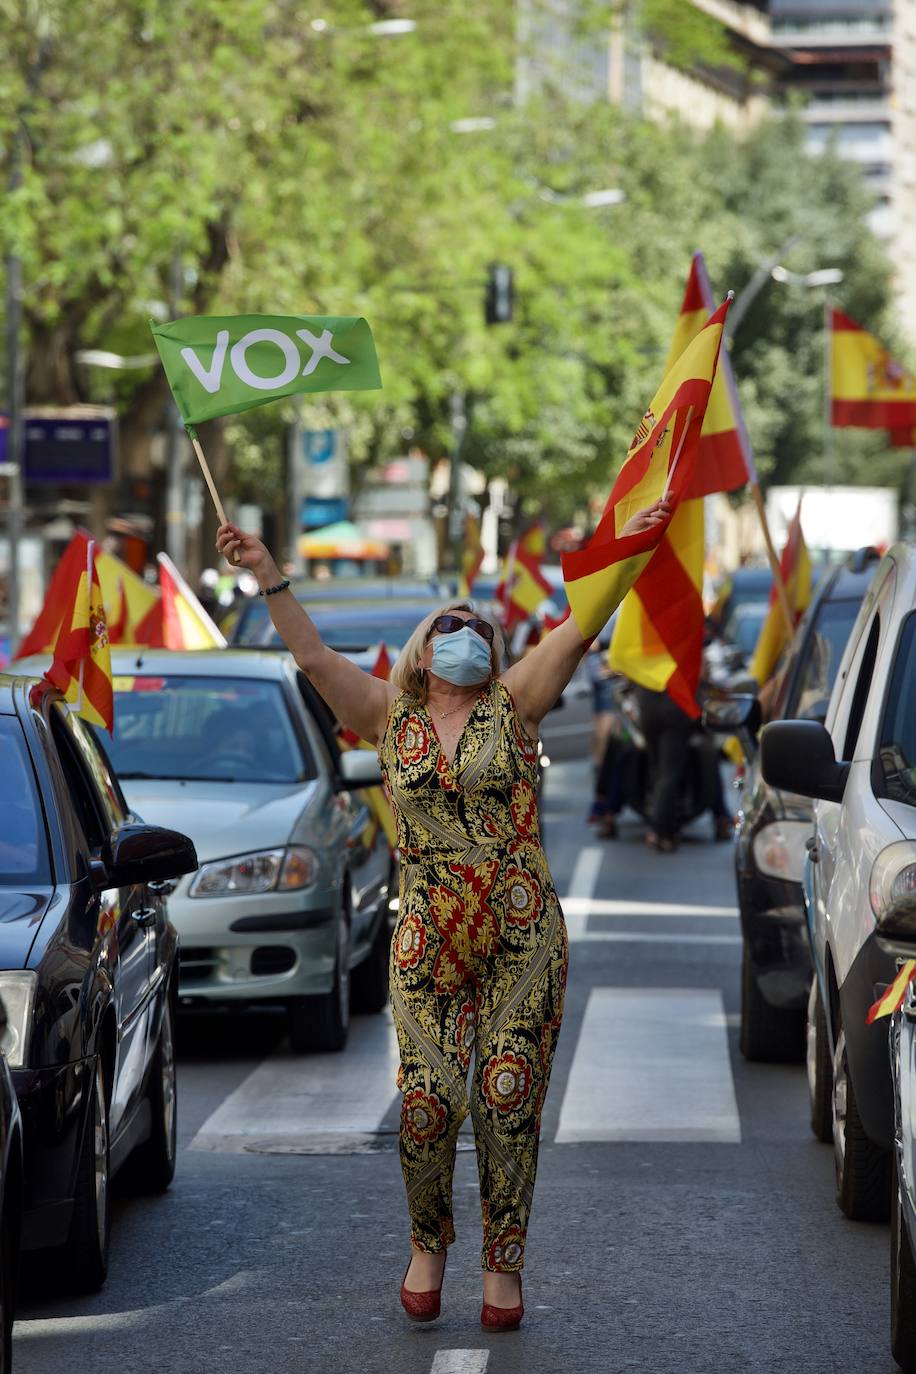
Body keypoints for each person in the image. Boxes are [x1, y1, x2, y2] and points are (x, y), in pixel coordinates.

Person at [216, 497, 669, 1332]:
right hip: (427, 933)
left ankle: (504, 1264)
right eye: (449, 624)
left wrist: (635, 543)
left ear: (492, 653)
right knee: (426, 1103)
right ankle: (429, 1242)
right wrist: (268, 572)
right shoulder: (388, 717)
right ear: (421, 651)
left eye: (478, 627)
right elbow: (313, 657)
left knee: (505, 1099)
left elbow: (579, 625)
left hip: (522, 933)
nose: (465, 633)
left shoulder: (517, 701)